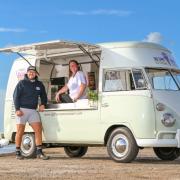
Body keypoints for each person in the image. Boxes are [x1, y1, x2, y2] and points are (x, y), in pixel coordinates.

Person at [13, 66, 49, 160]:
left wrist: (43, 104)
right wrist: (17, 109)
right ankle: (17, 152)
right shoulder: (22, 83)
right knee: (20, 131)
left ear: (36, 73)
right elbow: (15, 96)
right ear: (27, 73)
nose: (31, 73)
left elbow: (43, 95)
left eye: (33, 72)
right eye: (29, 71)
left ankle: (39, 152)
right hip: (22, 110)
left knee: (38, 129)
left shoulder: (39, 84)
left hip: (33, 110)